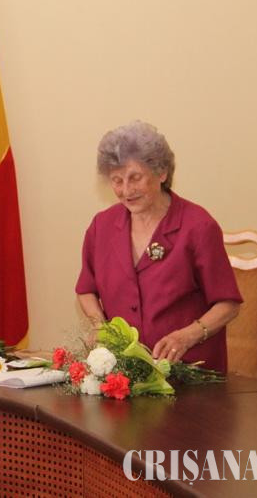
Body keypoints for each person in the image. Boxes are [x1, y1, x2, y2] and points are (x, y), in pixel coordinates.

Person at [76, 121, 241, 373]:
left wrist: (187, 336)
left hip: (189, 373)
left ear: (161, 172)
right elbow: (86, 290)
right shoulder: (102, 226)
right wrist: (101, 327)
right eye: (117, 180)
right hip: (124, 374)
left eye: (135, 178)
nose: (126, 190)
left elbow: (228, 304)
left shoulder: (198, 226)